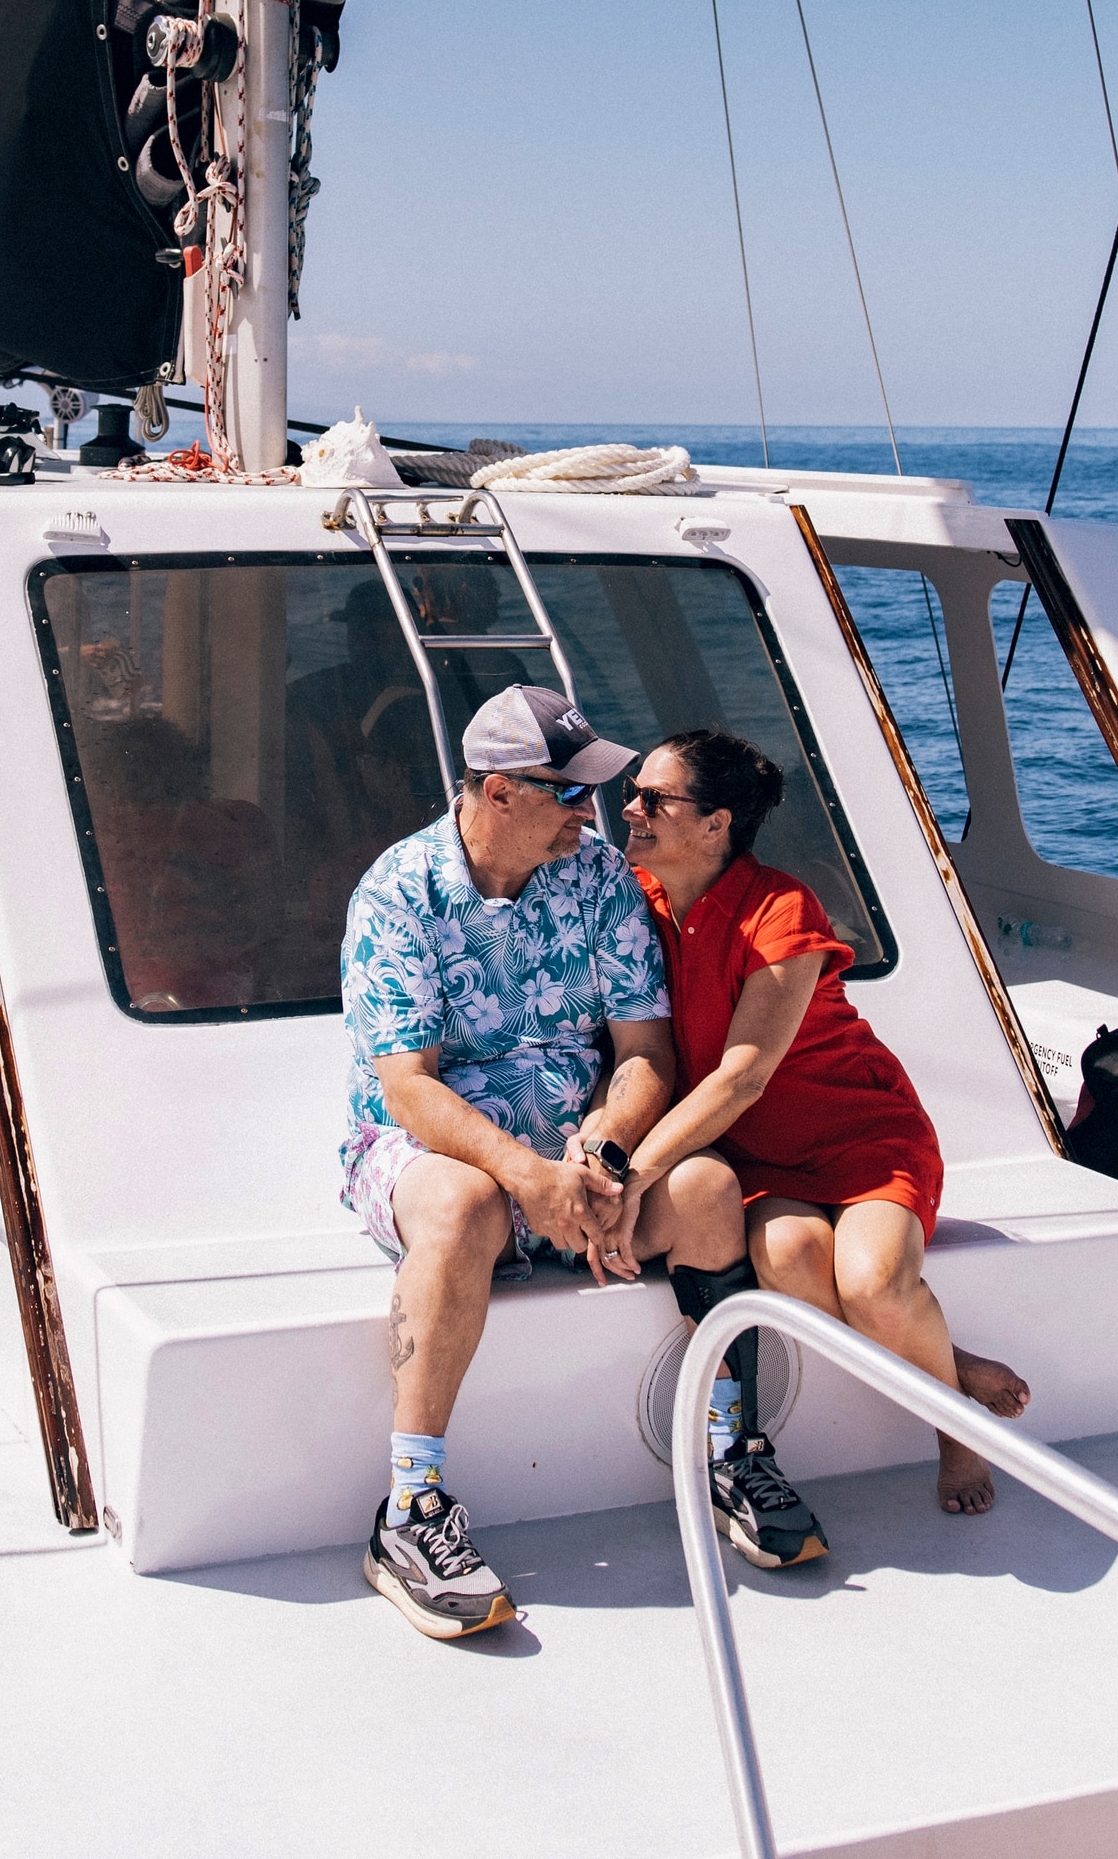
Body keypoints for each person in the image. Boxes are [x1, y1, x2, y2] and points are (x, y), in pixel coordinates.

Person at [336, 682, 819, 1644]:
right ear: (499, 791)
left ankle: (730, 1447)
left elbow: (645, 1053)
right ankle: (410, 1511)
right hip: (432, 1151)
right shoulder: (397, 893)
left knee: (707, 1187)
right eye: (568, 792)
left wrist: (601, 1156)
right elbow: (409, 1090)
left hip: (576, 1156)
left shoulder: (596, 878)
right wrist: (528, 1176)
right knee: (465, 1207)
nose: (593, 812)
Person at [618, 727, 1029, 1519]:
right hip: (760, 1157)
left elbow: (742, 1076)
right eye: (632, 792)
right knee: (788, 1261)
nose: (630, 808)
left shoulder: (780, 907)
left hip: (859, 1137)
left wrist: (635, 1172)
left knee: (874, 1285)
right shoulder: (635, 901)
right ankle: (954, 1364)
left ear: (716, 823)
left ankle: (957, 1434)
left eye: (654, 798)